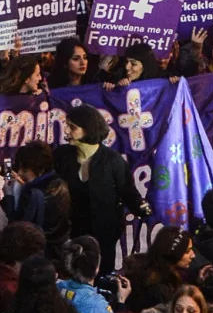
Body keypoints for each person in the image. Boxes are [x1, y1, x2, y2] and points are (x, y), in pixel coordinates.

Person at [53, 106, 149, 273]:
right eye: (66, 125)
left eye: (72, 127)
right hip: (70, 233)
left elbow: (128, 191)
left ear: (88, 129)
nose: (66, 131)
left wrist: (140, 205)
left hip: (103, 236)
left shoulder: (113, 161)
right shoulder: (62, 155)